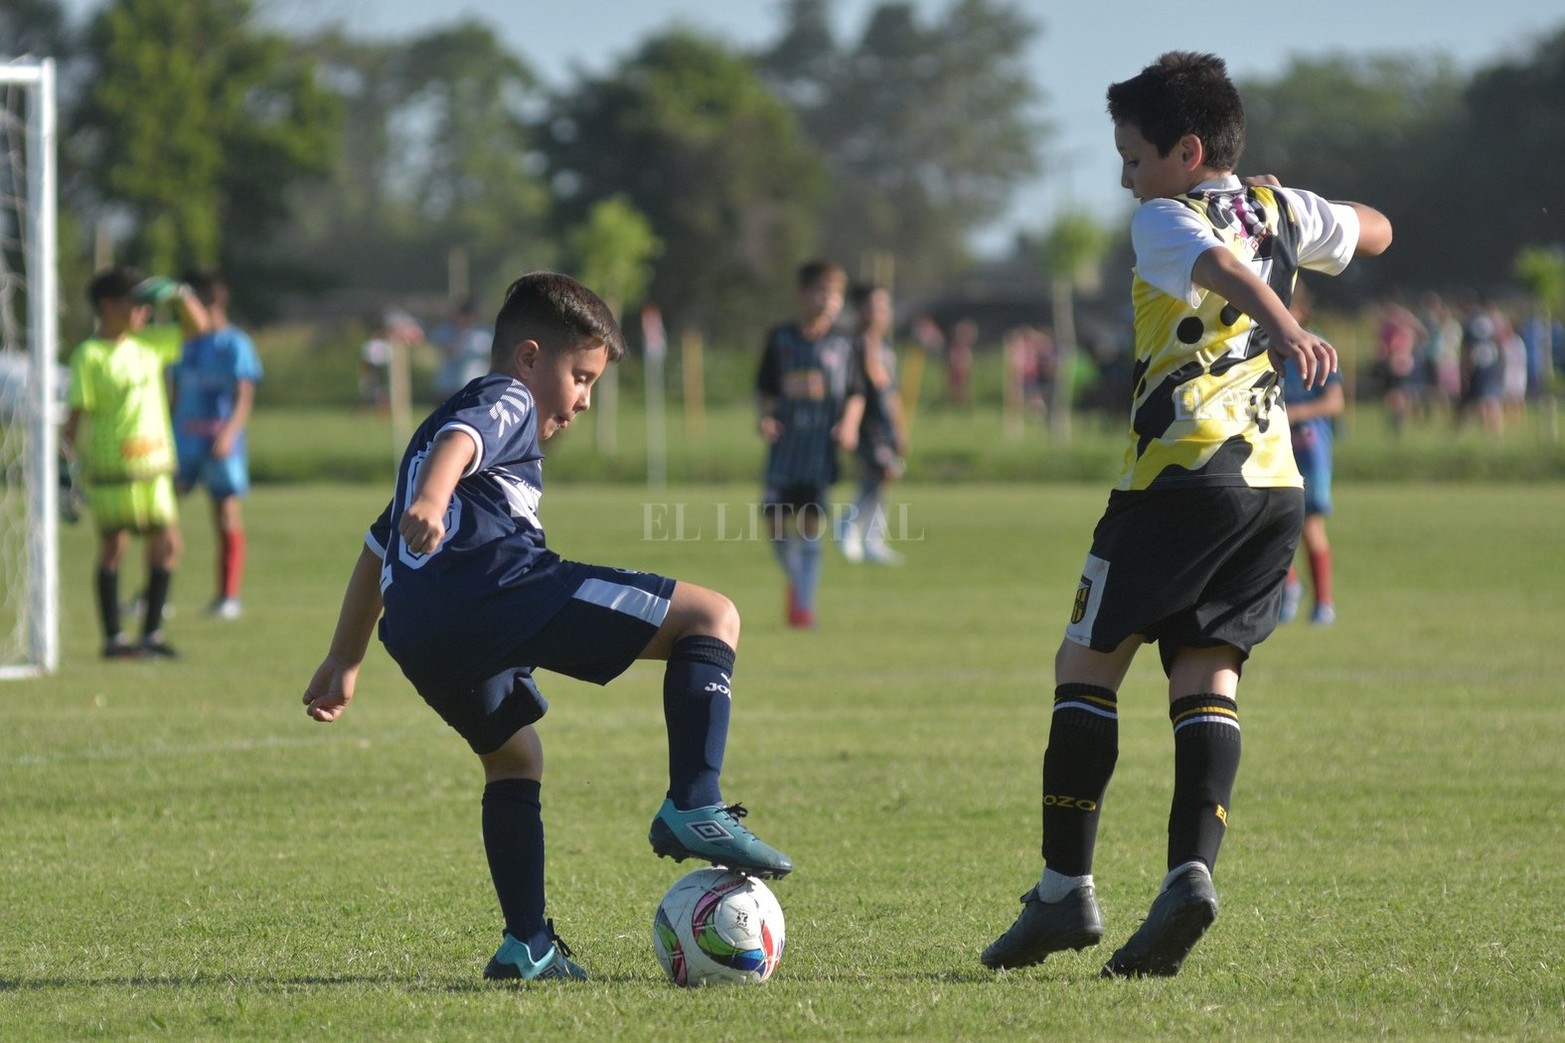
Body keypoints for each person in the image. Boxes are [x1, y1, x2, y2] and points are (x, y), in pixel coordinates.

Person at [980, 52, 1392, 979]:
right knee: (1205, 672)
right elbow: (1376, 231)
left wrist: (1280, 322)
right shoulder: (1279, 207)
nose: (1125, 177)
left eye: (1132, 157)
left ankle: (1062, 893)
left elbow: (1212, 264)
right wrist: (1286, 207)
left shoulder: (1164, 219)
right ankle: (1188, 876)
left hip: (1180, 474)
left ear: (1185, 150)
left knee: (1085, 660)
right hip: (1271, 487)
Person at [302, 272, 792, 983]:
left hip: (417, 629)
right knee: (711, 617)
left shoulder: (445, 452)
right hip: (498, 587)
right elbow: (462, 440)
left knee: (514, 758)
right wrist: (438, 496)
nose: (585, 398)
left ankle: (526, 943)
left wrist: (344, 657)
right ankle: (695, 802)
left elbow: (378, 547)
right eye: (581, 376)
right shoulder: (505, 397)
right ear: (530, 357)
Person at [62, 267, 211, 658]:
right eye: (136, 303)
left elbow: (200, 327)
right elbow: (75, 416)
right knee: (114, 547)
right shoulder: (89, 355)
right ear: (108, 306)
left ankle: (151, 634)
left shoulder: (148, 345)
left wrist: (179, 292)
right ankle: (114, 638)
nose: (144, 311)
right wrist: (65, 466)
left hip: (155, 465)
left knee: (167, 544)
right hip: (114, 470)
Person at [756, 259, 863, 627]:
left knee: (810, 526)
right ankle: (796, 582)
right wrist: (765, 418)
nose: (829, 301)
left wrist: (849, 426)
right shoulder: (781, 339)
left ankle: (804, 606)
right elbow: (765, 389)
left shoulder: (845, 342)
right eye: (822, 291)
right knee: (775, 526)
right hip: (784, 450)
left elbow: (856, 393)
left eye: (836, 294)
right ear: (803, 294)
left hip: (819, 452)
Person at [170, 270, 264, 620]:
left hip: (221, 445)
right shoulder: (183, 343)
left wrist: (228, 434)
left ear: (216, 299)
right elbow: (174, 394)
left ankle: (228, 597)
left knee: (225, 515)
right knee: (162, 517)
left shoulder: (235, 343)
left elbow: (244, 396)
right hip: (184, 443)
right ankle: (155, 596)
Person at [1277, 282, 1344, 626]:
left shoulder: (1318, 347)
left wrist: (1294, 414)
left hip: (1310, 450)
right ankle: (1288, 589)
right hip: (1272, 449)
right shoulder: (1264, 347)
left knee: (1310, 525)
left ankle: (1323, 603)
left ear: (1301, 312)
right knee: (1271, 524)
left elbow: (1335, 400)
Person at [839, 282, 908, 566]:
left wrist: (900, 428)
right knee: (882, 472)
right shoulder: (851, 345)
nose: (880, 312)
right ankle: (848, 526)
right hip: (866, 426)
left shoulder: (886, 349)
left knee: (882, 479)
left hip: (885, 426)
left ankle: (872, 539)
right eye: (873, 306)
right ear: (859, 310)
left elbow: (892, 393)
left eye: (884, 306)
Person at [430, 296, 492, 400]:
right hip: (448, 386)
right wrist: (460, 332)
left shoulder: (483, 333)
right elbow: (447, 351)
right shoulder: (446, 330)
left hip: (474, 385)